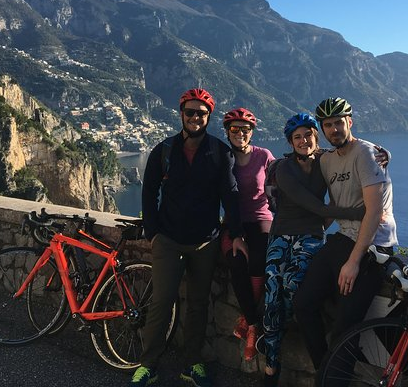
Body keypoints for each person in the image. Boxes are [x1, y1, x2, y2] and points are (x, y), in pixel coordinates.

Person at [131, 88, 241, 387]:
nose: (195, 117)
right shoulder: (164, 150)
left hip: (205, 241)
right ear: (181, 114)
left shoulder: (220, 152)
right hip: (168, 239)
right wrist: (152, 232)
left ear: (209, 117)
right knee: (161, 303)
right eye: (190, 112)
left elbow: (230, 195)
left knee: (198, 304)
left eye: (201, 113)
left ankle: (192, 364)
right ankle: (148, 365)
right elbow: (149, 191)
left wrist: (237, 233)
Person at [260, 113, 365, 386]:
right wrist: (357, 213)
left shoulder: (326, 162)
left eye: (308, 134)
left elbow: (353, 158)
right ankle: (272, 362)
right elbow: (317, 206)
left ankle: (304, 346)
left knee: (294, 284)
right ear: (290, 141)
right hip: (281, 233)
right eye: (297, 137)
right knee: (272, 290)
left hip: (310, 235)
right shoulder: (284, 169)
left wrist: (381, 154)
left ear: (315, 136)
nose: (303, 140)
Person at [293, 97, 398, 370]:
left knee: (345, 328)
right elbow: (333, 205)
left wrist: (353, 262)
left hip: (374, 246)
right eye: (328, 125)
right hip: (343, 238)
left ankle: (332, 377)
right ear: (322, 129)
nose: (334, 129)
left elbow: (373, 212)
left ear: (349, 122)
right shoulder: (327, 160)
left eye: (339, 122)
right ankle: (324, 371)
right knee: (303, 304)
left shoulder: (366, 153)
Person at [219, 108, 275, 361]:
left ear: (252, 132)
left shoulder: (263, 156)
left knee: (259, 260)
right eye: (234, 129)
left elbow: (289, 170)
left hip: (261, 218)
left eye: (245, 129)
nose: (240, 133)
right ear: (227, 132)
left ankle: (247, 321)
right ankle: (254, 324)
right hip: (234, 222)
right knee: (235, 260)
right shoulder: (222, 158)